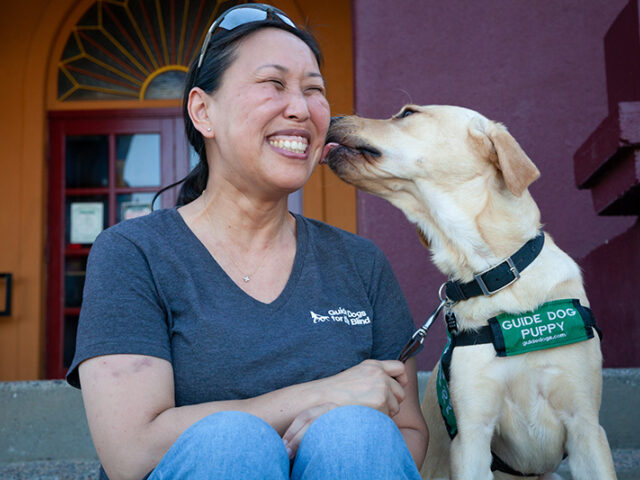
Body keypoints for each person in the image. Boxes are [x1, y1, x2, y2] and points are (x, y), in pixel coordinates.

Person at [66, 4, 429, 479]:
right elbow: (130, 450)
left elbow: (408, 433)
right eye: (273, 84)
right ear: (203, 111)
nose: (300, 108)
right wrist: (323, 393)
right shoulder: (134, 253)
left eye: (314, 89)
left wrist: (343, 429)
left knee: (357, 435)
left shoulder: (360, 263)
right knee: (231, 444)